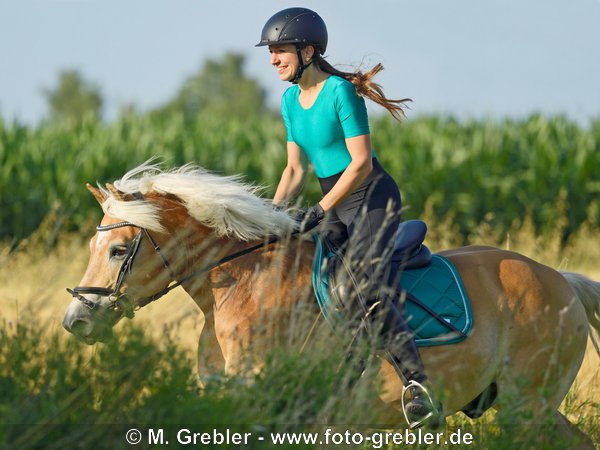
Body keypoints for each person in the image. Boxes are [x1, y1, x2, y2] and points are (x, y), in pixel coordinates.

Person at [256, 7, 440, 428]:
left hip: (371, 197)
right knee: (319, 281)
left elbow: (359, 164)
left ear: (308, 50)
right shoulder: (289, 100)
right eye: (270, 52)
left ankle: (417, 386)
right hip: (334, 203)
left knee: (367, 282)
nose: (273, 59)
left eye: (280, 50)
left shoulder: (340, 92)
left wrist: (319, 210)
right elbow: (295, 170)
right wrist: (270, 216)